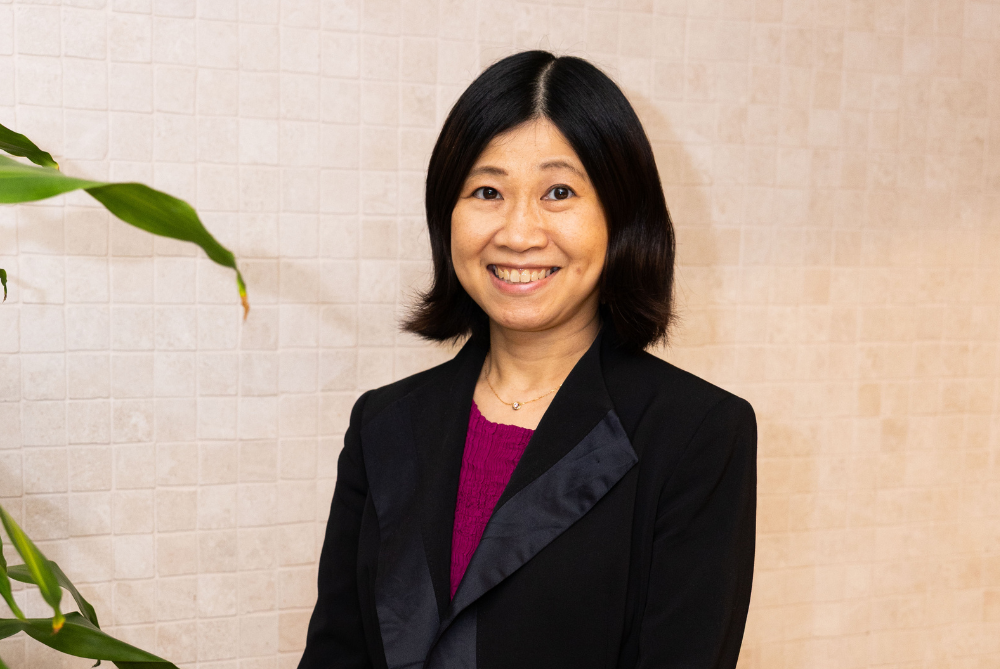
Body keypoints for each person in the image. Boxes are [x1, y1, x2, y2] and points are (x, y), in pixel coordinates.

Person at [298, 50, 757, 669]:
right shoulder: (383, 423)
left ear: (621, 216)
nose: (518, 233)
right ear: (448, 214)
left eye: (559, 192)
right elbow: (337, 654)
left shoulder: (699, 433)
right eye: (488, 191)